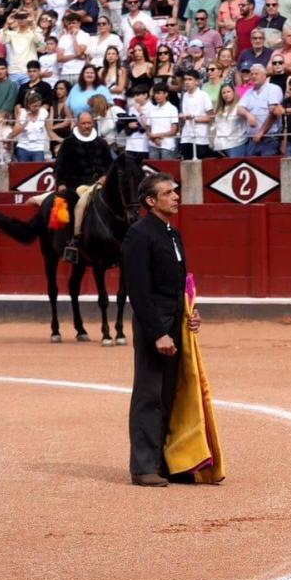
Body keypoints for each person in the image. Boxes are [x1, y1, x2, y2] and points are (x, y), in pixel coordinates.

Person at [122, 172, 196, 487]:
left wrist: (190, 314)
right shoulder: (139, 234)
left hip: (175, 317)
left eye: (175, 191)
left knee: (169, 392)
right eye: (168, 193)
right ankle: (143, 466)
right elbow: (138, 291)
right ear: (151, 201)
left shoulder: (172, 233)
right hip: (155, 321)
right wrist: (157, 333)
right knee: (149, 392)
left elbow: (179, 284)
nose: (176, 196)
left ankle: (166, 461)